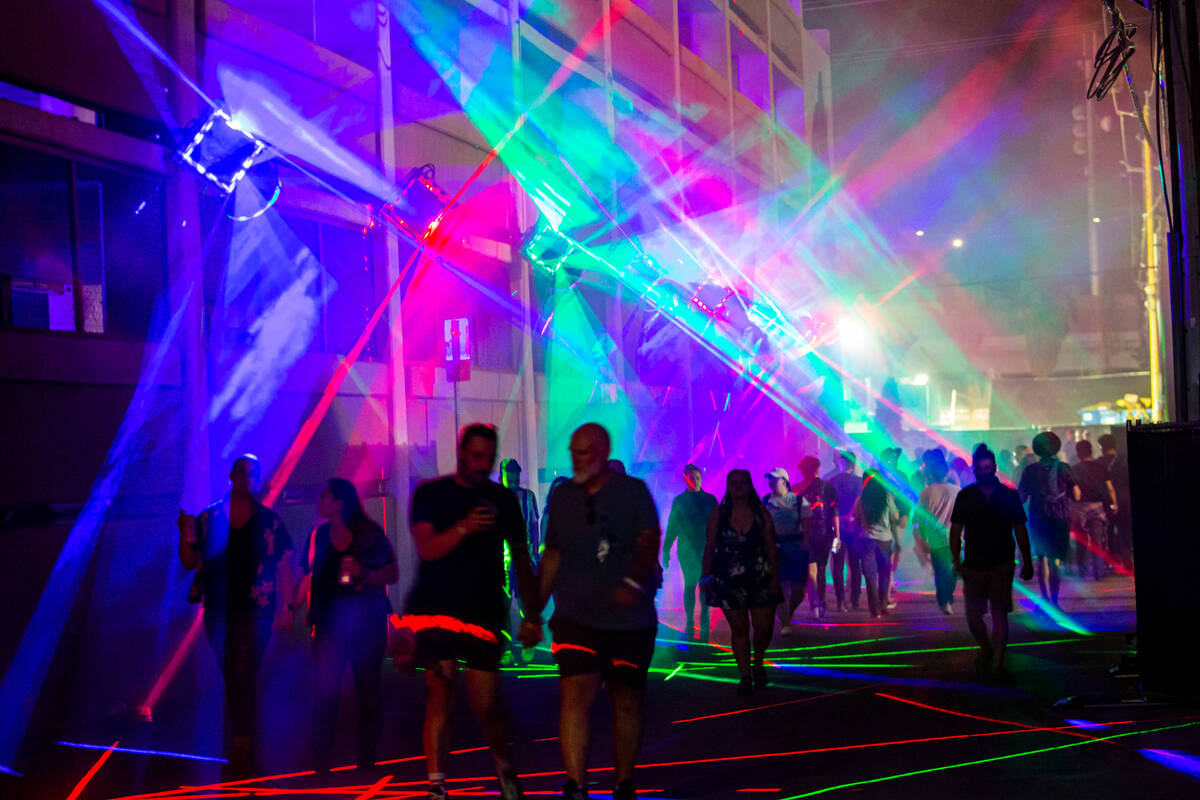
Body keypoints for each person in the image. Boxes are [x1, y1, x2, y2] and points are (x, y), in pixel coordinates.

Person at [400, 424, 540, 800]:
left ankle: (504, 766)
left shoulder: (504, 500)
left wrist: (531, 615)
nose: (483, 465)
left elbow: (523, 558)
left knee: (486, 704)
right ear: (461, 452)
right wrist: (464, 526)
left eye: (488, 458)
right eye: (476, 456)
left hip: (483, 610)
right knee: (440, 691)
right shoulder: (432, 494)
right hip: (438, 608)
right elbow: (427, 549)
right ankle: (436, 785)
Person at [536, 423, 661, 800]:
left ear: (603, 452)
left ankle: (624, 783)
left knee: (626, 697)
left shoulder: (632, 492)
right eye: (573, 451)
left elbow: (648, 540)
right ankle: (576, 784)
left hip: (629, 620)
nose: (576, 459)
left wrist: (633, 584)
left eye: (584, 452)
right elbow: (553, 554)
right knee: (576, 693)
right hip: (576, 615)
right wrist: (533, 613)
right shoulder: (563, 498)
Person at [177, 454, 294, 771]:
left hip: (258, 606)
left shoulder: (269, 521)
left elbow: (283, 562)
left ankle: (243, 731)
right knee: (232, 667)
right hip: (220, 606)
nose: (247, 479)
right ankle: (243, 727)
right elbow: (189, 561)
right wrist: (183, 534)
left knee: (246, 667)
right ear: (232, 476)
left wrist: (287, 605)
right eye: (242, 473)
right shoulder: (208, 519)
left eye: (253, 473)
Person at [303, 478, 398, 771]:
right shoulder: (319, 536)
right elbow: (308, 575)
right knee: (325, 692)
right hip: (330, 626)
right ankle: (321, 760)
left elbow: (392, 572)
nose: (320, 502)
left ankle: (366, 759)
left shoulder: (368, 534)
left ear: (339, 503)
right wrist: (293, 607)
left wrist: (365, 573)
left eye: (325, 496)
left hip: (366, 625)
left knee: (368, 691)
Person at [949, 445, 1034, 679]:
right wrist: (956, 560)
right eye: (980, 468)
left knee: (999, 614)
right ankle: (986, 648)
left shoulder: (1009, 495)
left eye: (988, 468)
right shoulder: (965, 496)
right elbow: (955, 531)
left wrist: (1026, 561)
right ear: (974, 469)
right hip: (974, 564)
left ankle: (996, 665)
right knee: (973, 616)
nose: (985, 472)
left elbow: (1020, 529)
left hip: (1001, 562)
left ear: (995, 468)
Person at [703, 469, 781, 696]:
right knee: (739, 628)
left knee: (763, 627)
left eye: (742, 483)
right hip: (728, 578)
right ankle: (746, 675)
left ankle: (758, 662)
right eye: (733, 483)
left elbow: (771, 547)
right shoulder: (719, 514)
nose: (737, 486)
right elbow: (709, 546)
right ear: (728, 486)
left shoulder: (761, 513)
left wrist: (775, 577)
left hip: (760, 575)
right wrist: (705, 575)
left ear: (749, 486)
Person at [1018, 432, 1079, 608]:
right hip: (1060, 518)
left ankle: (1045, 600)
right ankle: (1055, 600)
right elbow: (1076, 494)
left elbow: (1022, 497)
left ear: (1037, 449)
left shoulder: (1030, 470)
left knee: (1042, 558)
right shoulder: (1064, 468)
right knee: (1055, 561)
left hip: (1038, 517)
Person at [662, 463, 719, 642]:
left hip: (706, 549)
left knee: (704, 586)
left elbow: (719, 524)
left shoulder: (710, 500)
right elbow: (672, 526)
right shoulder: (680, 501)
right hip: (687, 549)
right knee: (690, 585)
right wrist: (666, 549)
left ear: (701, 478)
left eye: (696, 477)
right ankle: (689, 622)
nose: (693, 481)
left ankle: (703, 623)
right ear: (685, 479)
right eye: (690, 478)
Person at [500, 458, 541, 662]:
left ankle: (528, 643)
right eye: (510, 475)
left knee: (526, 603)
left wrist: (535, 553)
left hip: (524, 559)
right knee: (504, 604)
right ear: (503, 477)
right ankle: (506, 648)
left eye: (516, 475)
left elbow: (535, 527)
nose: (514, 479)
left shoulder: (528, 497)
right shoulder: (497, 498)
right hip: (503, 561)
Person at [913, 450, 960, 614]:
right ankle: (948, 597)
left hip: (934, 538)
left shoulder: (926, 492)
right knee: (953, 569)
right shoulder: (957, 490)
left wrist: (921, 536)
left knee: (940, 570)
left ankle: (944, 600)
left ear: (932, 473)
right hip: (955, 536)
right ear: (946, 473)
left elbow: (919, 517)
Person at [762, 467, 807, 633]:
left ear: (784, 480)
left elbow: (807, 524)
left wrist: (806, 543)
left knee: (798, 589)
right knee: (780, 587)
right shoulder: (765, 500)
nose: (770, 482)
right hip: (775, 549)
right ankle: (785, 622)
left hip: (796, 548)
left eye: (774, 478)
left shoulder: (798, 500)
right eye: (769, 479)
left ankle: (788, 613)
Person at [796, 456, 839, 620]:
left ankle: (817, 603)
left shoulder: (796, 488)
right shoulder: (828, 487)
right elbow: (834, 513)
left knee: (811, 571)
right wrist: (837, 537)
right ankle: (820, 602)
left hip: (804, 534)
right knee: (820, 569)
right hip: (825, 533)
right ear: (818, 468)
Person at [851, 470, 898, 618]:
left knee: (870, 576)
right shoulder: (887, 497)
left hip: (867, 540)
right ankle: (883, 605)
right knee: (884, 573)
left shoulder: (861, 499)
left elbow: (856, 517)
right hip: (884, 540)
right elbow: (895, 516)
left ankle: (875, 610)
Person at [1070, 440, 1118, 580]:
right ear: (1091, 451)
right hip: (1097, 507)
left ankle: (1082, 573)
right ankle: (1098, 572)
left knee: (1081, 541)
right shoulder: (1100, 467)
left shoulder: (1073, 469)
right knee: (1097, 541)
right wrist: (1114, 504)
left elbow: (1072, 490)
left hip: (1080, 507)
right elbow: (1110, 488)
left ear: (1078, 453)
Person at [828, 451, 863, 611]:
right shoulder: (860, 482)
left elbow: (829, 506)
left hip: (836, 530)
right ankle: (855, 599)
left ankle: (840, 599)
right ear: (854, 464)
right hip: (855, 529)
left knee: (837, 565)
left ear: (841, 463)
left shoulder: (832, 481)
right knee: (855, 565)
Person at [1097, 433, 1132, 571]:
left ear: (1102, 447)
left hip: (1106, 501)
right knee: (1125, 530)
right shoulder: (1124, 460)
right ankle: (1126, 556)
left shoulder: (1099, 463)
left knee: (1107, 532)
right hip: (1124, 500)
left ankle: (1110, 562)